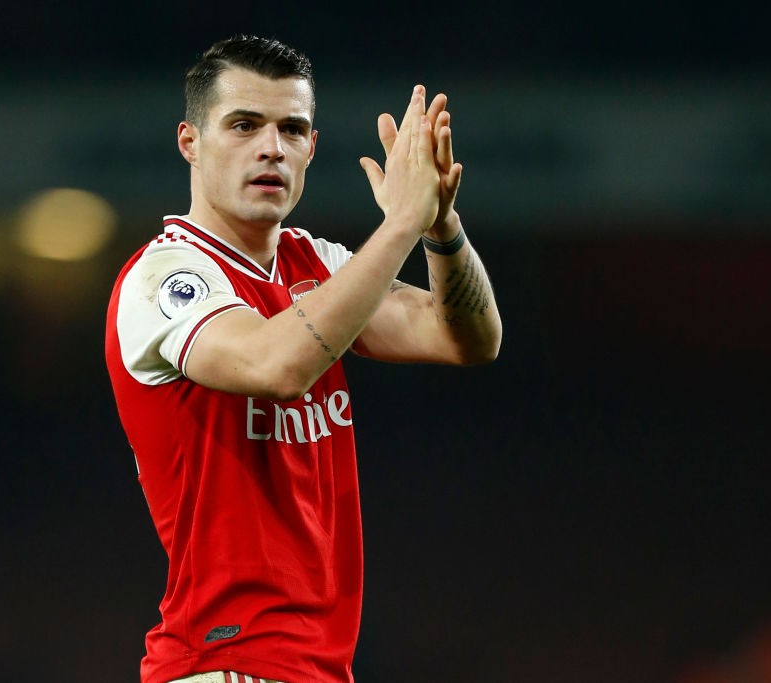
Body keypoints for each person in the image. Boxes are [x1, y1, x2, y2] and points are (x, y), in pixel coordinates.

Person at [104, 35, 502, 683]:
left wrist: (440, 228)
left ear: (312, 148)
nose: (271, 147)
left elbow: (469, 337)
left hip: (313, 668)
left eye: (292, 129)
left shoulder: (316, 265)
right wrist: (399, 224)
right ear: (190, 142)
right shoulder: (163, 277)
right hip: (224, 662)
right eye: (243, 125)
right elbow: (276, 365)